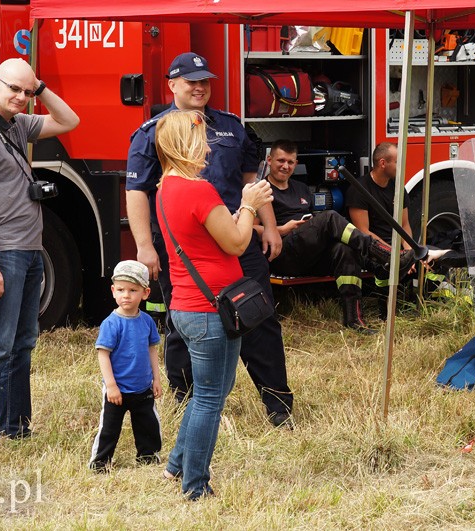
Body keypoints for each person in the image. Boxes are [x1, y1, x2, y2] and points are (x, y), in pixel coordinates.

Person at [126, 52, 294, 427]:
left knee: (260, 317)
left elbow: (251, 181)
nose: (200, 87)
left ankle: (279, 406)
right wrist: (143, 246)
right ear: (172, 85)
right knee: (184, 322)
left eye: (205, 81)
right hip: (185, 248)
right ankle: (186, 402)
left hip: (237, 236)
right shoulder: (154, 131)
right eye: (190, 81)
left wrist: (268, 225)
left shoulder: (232, 127)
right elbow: (136, 190)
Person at [0, 58, 79, 447]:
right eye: (14, 89)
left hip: (28, 250)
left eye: (27, 92)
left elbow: (69, 120)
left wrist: (40, 88)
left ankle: (14, 428)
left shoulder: (17, 124)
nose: (21, 98)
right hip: (3, 253)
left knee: (22, 342)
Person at [155, 109, 273, 500]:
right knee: (209, 398)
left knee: (210, 391)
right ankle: (196, 486)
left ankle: (176, 465)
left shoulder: (164, 188)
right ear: (185, 144)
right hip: (211, 310)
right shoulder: (198, 190)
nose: (208, 147)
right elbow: (238, 242)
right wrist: (250, 203)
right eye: (202, 140)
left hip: (188, 306)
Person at [260, 140, 401, 331]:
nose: (285, 166)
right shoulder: (260, 190)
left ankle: (354, 319)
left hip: (308, 254)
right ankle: (381, 253)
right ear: (269, 160)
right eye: (281, 161)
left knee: (345, 249)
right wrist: (283, 229)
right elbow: (251, 229)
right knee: (329, 217)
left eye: (291, 162)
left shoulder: (301, 189)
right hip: (282, 253)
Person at [89, 260, 163, 472]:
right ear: (113, 291)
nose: (126, 295)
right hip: (117, 390)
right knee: (109, 428)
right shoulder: (111, 323)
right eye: (120, 290)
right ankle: (100, 462)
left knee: (148, 425)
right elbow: (103, 355)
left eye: (133, 290)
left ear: (145, 293)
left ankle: (148, 457)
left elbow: (152, 350)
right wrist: (111, 386)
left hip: (142, 387)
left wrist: (156, 379)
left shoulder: (147, 321)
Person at [346, 142, 416, 319]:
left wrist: (409, 252)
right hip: (373, 249)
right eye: (397, 162)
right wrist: (396, 255)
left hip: (398, 248)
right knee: (385, 268)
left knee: (431, 261)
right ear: (383, 163)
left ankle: (418, 306)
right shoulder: (359, 189)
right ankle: (385, 313)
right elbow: (363, 231)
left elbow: (404, 225)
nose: (402, 166)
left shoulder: (398, 187)